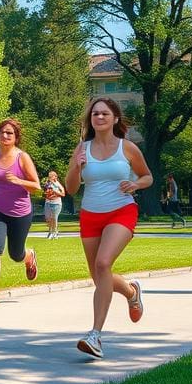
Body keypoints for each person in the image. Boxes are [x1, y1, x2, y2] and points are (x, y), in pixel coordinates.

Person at [65, 98, 152, 359]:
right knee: (98, 275)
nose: (99, 117)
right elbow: (71, 189)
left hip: (121, 211)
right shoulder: (83, 148)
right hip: (90, 214)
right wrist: (77, 167)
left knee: (103, 264)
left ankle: (95, 335)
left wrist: (135, 185)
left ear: (115, 118)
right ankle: (130, 291)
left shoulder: (128, 148)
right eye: (95, 114)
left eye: (104, 113)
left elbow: (147, 176)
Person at [0, 118, 41, 309]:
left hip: (20, 213)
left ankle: (29, 256)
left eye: (9, 133)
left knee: (16, 253)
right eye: (2, 132)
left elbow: (36, 186)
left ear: (16, 137)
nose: (5, 135)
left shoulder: (22, 158)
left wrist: (19, 181)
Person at [43, 171, 65, 239]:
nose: (50, 177)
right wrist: (47, 194)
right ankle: (50, 231)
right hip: (48, 203)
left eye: (52, 176)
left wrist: (55, 192)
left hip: (56, 204)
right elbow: (44, 193)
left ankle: (54, 232)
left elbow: (63, 194)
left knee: (54, 218)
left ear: (55, 177)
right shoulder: (47, 184)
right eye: (49, 176)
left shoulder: (58, 184)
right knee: (48, 218)